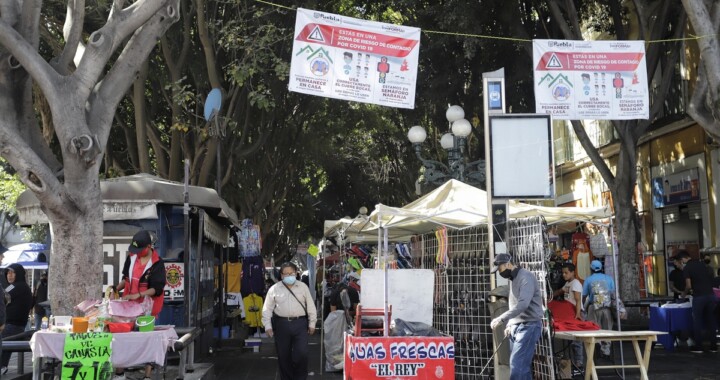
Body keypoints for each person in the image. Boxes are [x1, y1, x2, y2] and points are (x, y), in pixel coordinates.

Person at [113, 230, 167, 380]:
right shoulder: (131, 258)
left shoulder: (157, 263)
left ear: (149, 246)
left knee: (146, 340)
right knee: (122, 338)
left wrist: (140, 294)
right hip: (127, 306)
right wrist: (115, 289)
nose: (137, 253)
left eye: (140, 250)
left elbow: (157, 288)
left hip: (147, 309)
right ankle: (120, 373)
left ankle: (147, 375)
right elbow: (126, 278)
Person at [489, 253, 544, 380]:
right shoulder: (513, 279)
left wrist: (500, 318)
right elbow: (514, 304)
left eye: (500, 269)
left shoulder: (526, 277)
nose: (499, 273)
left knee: (517, 366)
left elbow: (523, 304)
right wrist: (510, 323)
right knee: (522, 369)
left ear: (507, 264)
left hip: (529, 326)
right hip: (517, 326)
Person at [262, 262, 317, 380]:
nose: (289, 276)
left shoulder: (303, 287)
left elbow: (311, 306)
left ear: (296, 273)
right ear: (281, 275)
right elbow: (267, 309)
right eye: (285, 274)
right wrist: (267, 326)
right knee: (283, 355)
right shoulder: (274, 289)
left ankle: (300, 377)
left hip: (300, 324)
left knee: (302, 354)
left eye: (291, 273)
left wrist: (312, 323)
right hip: (281, 324)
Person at [676, 250, 717, 353]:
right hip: (711, 295)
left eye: (681, 261)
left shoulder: (687, 268)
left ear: (683, 259)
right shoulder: (702, 264)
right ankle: (713, 346)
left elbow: (688, 285)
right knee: (711, 320)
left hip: (699, 297)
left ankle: (698, 347)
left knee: (697, 321)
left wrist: (684, 294)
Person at [1, 264, 33, 374]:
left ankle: (2, 367)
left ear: (18, 274)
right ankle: (3, 366)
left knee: (4, 345)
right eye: (7, 273)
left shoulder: (16, 286)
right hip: (17, 324)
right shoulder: (22, 286)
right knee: (5, 347)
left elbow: (3, 297)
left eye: (12, 273)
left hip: (11, 324)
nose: (9, 275)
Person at [553, 263, 584, 370]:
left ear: (572, 272)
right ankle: (572, 362)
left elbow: (578, 300)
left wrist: (578, 314)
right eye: (563, 273)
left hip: (576, 312)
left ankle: (579, 362)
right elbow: (559, 292)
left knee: (576, 340)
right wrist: (550, 295)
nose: (564, 275)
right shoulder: (568, 284)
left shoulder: (576, 284)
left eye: (566, 273)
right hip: (569, 313)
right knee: (569, 339)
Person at [582, 260, 615, 358]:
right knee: (607, 329)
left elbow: (584, 295)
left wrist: (583, 307)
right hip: (607, 307)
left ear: (591, 269)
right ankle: (606, 350)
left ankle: (597, 345)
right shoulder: (609, 278)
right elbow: (613, 294)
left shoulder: (588, 280)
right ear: (601, 268)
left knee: (594, 328)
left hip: (593, 308)